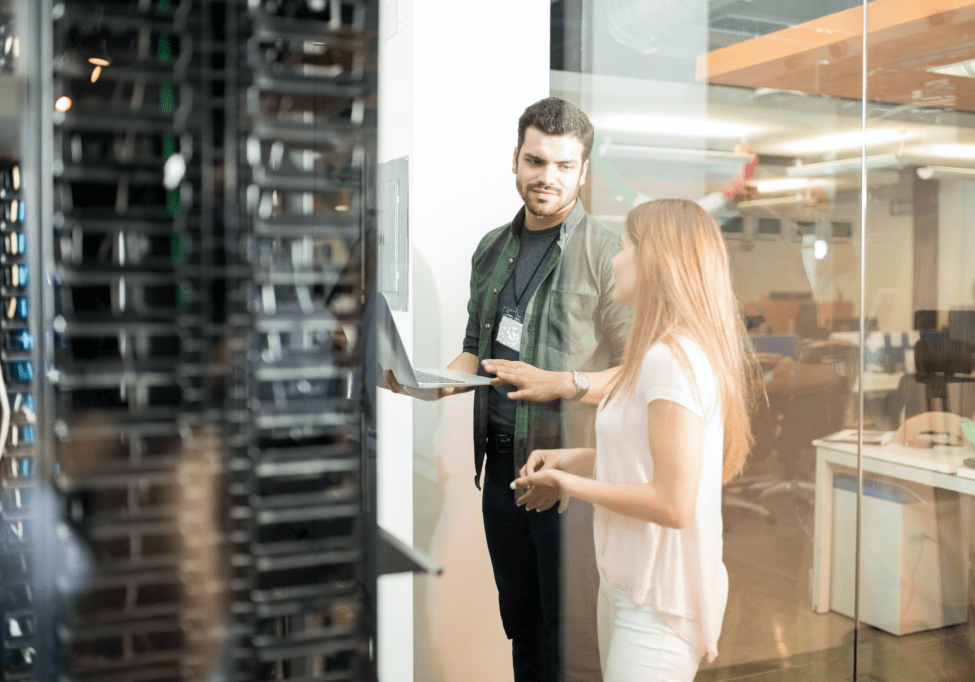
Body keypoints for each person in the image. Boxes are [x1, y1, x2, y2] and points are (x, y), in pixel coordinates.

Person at [385, 96, 632, 682]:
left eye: (563, 166)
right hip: (500, 470)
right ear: (515, 160)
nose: (547, 177)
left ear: (583, 171)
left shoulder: (606, 253)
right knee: (521, 622)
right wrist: (437, 383)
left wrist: (565, 383)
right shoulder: (491, 248)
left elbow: (635, 369)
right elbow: (477, 346)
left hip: (567, 472)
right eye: (536, 161)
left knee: (569, 640)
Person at [512, 199, 763, 682]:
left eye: (624, 247)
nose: (613, 259)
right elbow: (645, 460)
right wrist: (580, 460)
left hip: (658, 604)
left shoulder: (672, 359)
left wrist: (569, 483)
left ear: (655, 261)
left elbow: (672, 503)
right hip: (628, 586)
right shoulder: (659, 354)